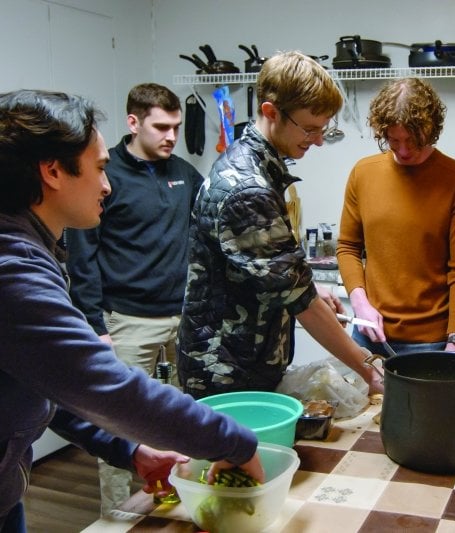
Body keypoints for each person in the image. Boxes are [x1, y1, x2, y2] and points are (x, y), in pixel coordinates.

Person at [0, 89, 263, 532]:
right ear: (52, 171)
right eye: (99, 168)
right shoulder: (12, 272)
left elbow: (45, 382)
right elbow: (108, 387)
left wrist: (127, 450)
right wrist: (234, 443)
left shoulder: (27, 247)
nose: (106, 184)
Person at [178, 51, 382, 398]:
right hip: (224, 372)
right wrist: (369, 368)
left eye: (324, 128)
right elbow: (299, 301)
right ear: (271, 112)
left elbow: (273, 273)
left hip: (243, 362)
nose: (318, 140)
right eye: (310, 128)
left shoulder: (258, 167)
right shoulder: (247, 188)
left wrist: (312, 290)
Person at [64, 82, 203, 514]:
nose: (170, 136)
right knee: (121, 425)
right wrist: (95, 326)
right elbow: (83, 259)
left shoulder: (185, 173)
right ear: (133, 122)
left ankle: (180, 509)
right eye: (161, 127)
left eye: (176, 127)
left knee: (182, 424)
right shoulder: (107, 178)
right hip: (125, 323)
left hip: (182, 320)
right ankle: (119, 517)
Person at [336, 78, 455, 356]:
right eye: (394, 141)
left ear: (431, 129)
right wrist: (359, 301)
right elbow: (348, 247)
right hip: (368, 334)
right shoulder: (363, 173)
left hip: (433, 342)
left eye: (414, 141)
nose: (403, 151)